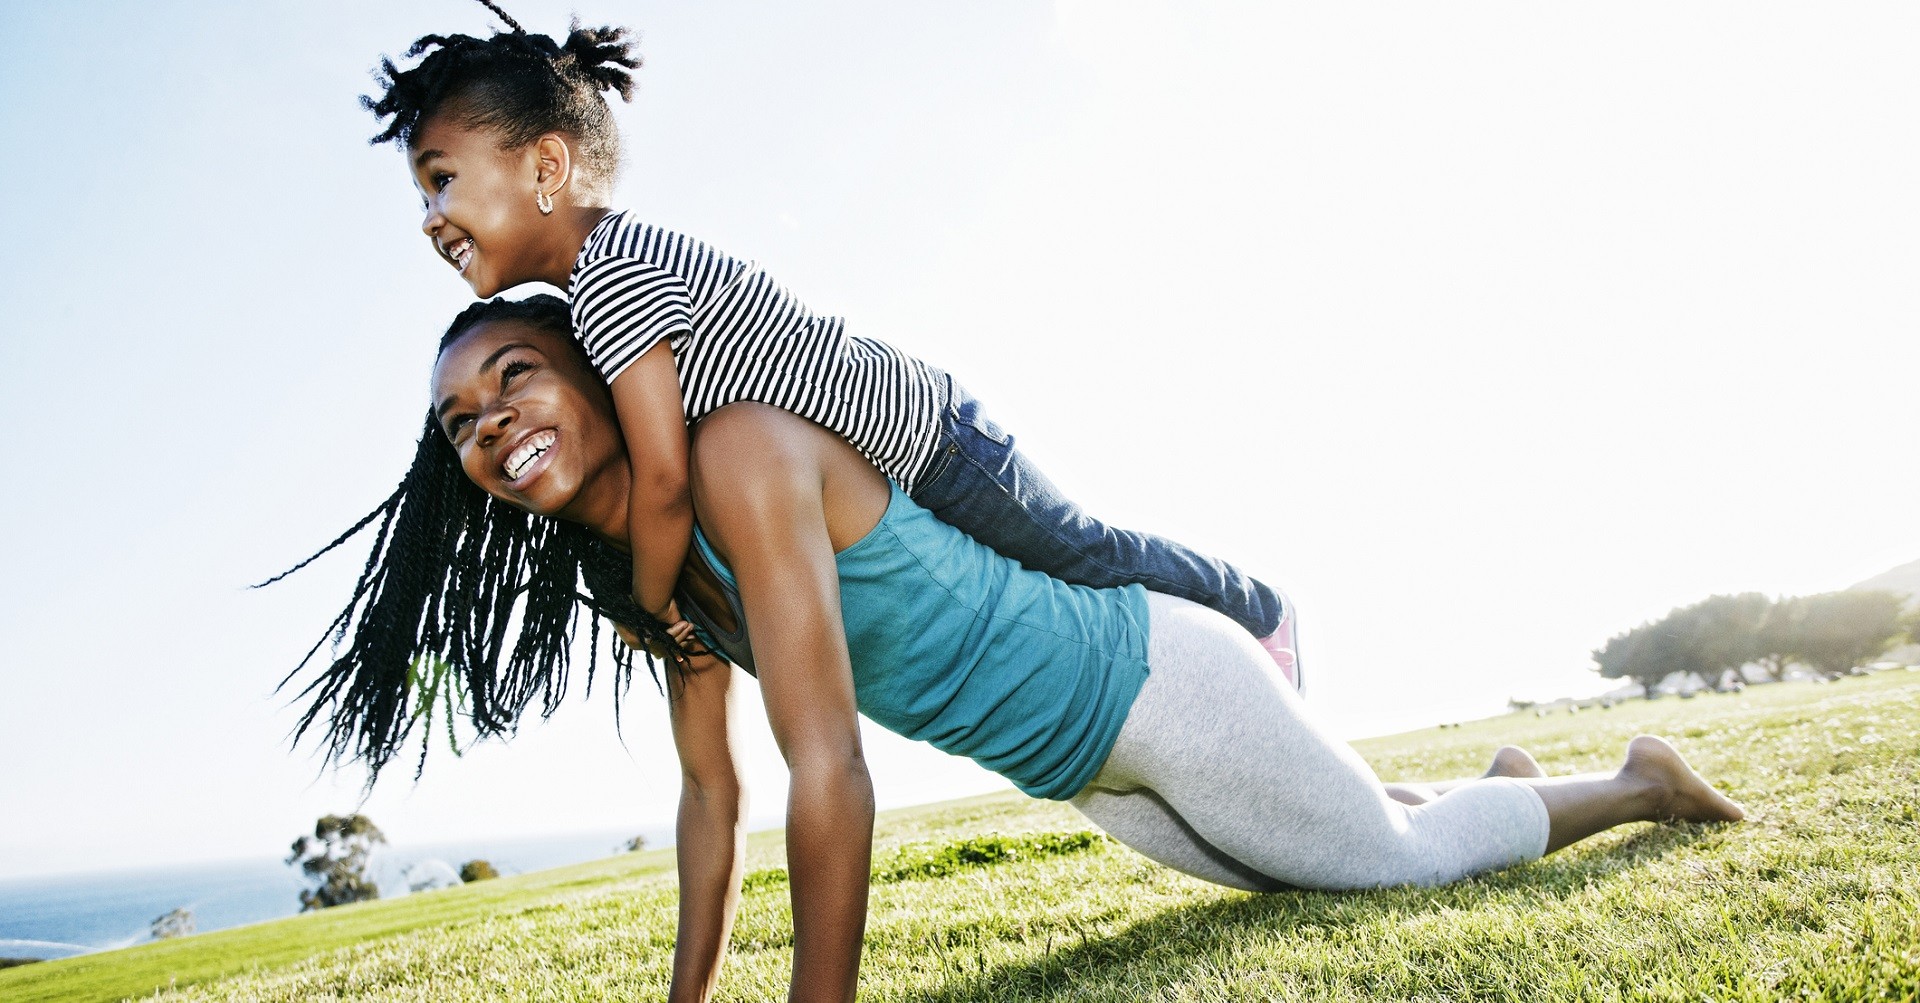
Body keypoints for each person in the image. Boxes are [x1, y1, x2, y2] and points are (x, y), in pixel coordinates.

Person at [279, 296, 1746, 1002]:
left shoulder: (733, 451)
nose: (491, 423)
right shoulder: (641, 569)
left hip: (1150, 680)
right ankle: (1496, 783)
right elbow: (713, 797)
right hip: (1090, 770)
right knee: (1296, 865)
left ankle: (1633, 775)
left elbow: (825, 760)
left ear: (598, 370)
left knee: (1383, 868)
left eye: (513, 375)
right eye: (462, 420)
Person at [356, 2, 1305, 685]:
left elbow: (666, 480)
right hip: (895, 458)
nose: (430, 217)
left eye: (440, 179)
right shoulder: (608, 271)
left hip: (932, 440)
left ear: (547, 165)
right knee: (1060, 586)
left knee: (1083, 556)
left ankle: (1256, 612)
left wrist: (652, 604)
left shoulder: (608, 283)